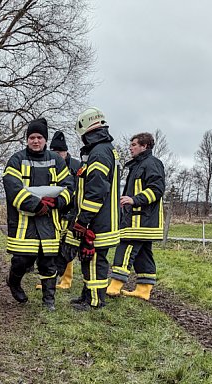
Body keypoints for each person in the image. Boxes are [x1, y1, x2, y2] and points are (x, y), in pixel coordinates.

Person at [3, 118, 74, 310]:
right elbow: (12, 187)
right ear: (27, 139)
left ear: (45, 139)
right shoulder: (16, 159)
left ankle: (48, 301)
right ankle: (14, 281)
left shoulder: (56, 160)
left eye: (40, 137)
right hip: (23, 221)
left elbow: (68, 186)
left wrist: (56, 202)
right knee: (21, 260)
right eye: (32, 137)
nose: (36, 141)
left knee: (48, 262)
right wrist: (35, 205)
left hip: (49, 220)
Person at [70, 107, 120, 311]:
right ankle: (87, 294)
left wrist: (83, 220)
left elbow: (96, 191)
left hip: (98, 220)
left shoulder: (99, 153)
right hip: (103, 218)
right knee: (90, 258)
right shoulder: (104, 149)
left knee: (94, 259)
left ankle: (95, 301)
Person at [106, 132, 165, 301]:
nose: (130, 148)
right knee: (143, 254)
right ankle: (143, 289)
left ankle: (115, 286)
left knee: (125, 249)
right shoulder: (138, 165)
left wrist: (134, 200)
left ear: (144, 146)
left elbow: (157, 189)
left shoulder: (152, 163)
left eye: (133, 145)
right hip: (139, 219)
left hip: (141, 220)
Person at [50, 130, 82, 290]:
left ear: (65, 152)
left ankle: (66, 280)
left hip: (73, 212)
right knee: (55, 246)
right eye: (54, 152)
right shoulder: (50, 164)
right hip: (56, 211)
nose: (57, 155)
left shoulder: (77, 166)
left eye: (59, 152)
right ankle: (52, 278)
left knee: (68, 247)